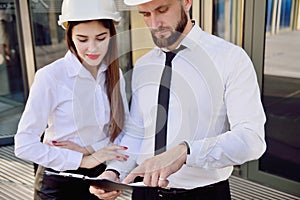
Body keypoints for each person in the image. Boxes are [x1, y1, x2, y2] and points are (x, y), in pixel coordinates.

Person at [90, 0, 267, 199]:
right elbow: (136, 133)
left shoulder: (230, 59)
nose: (154, 24)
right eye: (145, 15)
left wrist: (186, 152)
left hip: (203, 195)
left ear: (186, 2)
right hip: (144, 194)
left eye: (162, 10)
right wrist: (114, 172)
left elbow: (252, 140)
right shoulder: (143, 65)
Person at [14, 0, 130, 199]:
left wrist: (91, 151)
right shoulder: (51, 76)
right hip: (57, 184)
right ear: (69, 35)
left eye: (101, 38)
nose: (92, 48)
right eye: (82, 39)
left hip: (99, 178)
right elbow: (24, 145)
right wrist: (82, 160)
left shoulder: (114, 74)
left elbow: (124, 132)